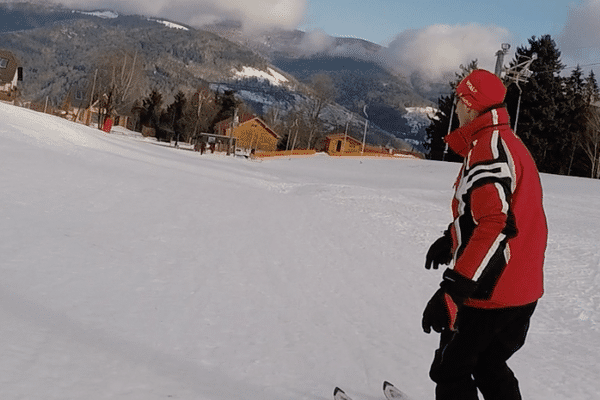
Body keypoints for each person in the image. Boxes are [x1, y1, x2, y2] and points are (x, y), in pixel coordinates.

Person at [421, 69, 548, 400]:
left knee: (451, 369)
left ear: (467, 102)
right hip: (523, 289)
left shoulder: (488, 151)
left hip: (491, 291)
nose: (456, 108)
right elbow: (498, 212)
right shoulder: (508, 142)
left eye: (458, 100)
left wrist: (453, 291)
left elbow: (494, 225)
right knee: (489, 364)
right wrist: (452, 238)